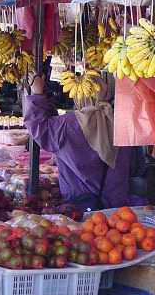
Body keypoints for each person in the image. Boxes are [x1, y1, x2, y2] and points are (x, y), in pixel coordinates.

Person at [24, 75, 146, 211]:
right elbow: (137, 167)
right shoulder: (123, 125)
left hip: (79, 209)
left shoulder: (65, 125)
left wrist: (37, 93)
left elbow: (37, 126)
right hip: (118, 211)